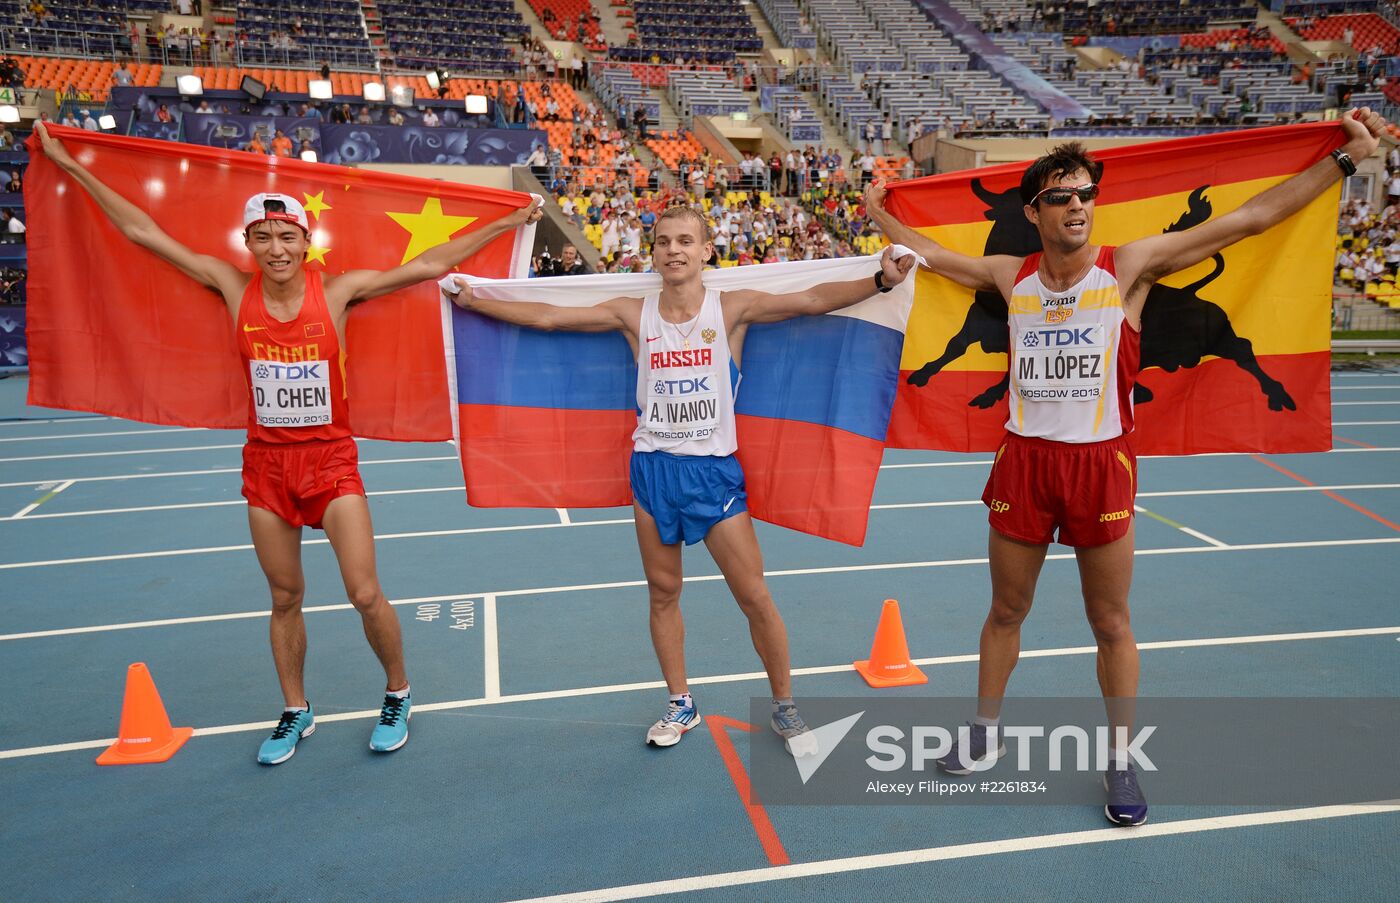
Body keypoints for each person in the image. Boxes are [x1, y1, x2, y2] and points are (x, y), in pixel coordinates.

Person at [864, 107, 1386, 827]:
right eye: (1061, 196)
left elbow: (1249, 220)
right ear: (1034, 210)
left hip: (1100, 465)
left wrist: (1344, 163)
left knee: (1110, 619)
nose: (1077, 205)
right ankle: (982, 733)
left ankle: (1119, 757)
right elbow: (929, 255)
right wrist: (878, 214)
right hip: (1024, 463)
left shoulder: (1128, 266)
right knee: (1006, 611)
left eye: (1085, 194)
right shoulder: (1007, 273)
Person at [33, 122, 543, 764]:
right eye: (264, 236)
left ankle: (398, 691)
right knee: (284, 598)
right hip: (266, 466)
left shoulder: (338, 292)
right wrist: (71, 164)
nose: (276, 247)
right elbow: (143, 232)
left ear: (307, 242)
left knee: (364, 592)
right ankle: (296, 710)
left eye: (287, 236)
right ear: (247, 242)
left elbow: (432, 263)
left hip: (330, 462)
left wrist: (512, 218)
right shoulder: (228, 285)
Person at [443, 206, 915, 754]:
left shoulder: (731, 307)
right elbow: (550, 317)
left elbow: (809, 301)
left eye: (686, 240)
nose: (674, 250)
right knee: (663, 592)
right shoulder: (632, 313)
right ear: (654, 252)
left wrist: (881, 279)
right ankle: (679, 702)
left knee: (753, 596)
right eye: (664, 241)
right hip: (652, 469)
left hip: (714, 474)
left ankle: (785, 707)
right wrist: (474, 299)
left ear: (706, 251)